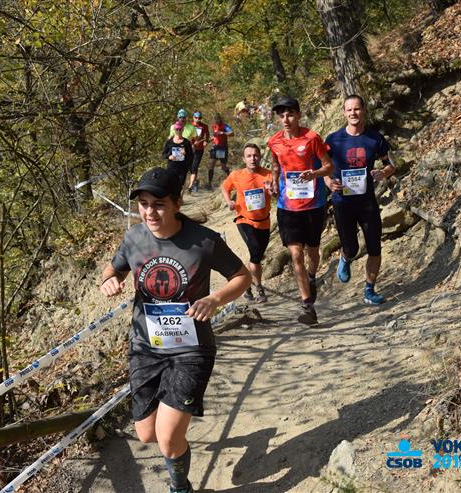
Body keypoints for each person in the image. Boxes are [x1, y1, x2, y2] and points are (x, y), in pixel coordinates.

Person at [100, 167, 251, 493]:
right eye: (143, 204)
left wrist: (215, 299)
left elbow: (242, 276)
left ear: (176, 203)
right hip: (145, 346)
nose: (149, 212)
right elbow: (112, 271)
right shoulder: (134, 238)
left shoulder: (203, 241)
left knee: (168, 437)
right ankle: (177, 455)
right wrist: (110, 281)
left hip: (191, 348)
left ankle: (180, 487)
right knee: (147, 434)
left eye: (158, 205)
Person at [267, 96, 333, 324]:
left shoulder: (312, 138)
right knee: (296, 254)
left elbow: (329, 166)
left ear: (298, 115)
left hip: (313, 205)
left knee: (313, 252)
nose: (286, 119)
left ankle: (312, 276)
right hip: (287, 206)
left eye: (290, 115)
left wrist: (313, 174)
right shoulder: (274, 142)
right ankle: (307, 306)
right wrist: (274, 182)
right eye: (282, 116)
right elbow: (275, 165)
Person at [324, 94, 395, 305]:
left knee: (374, 246)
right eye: (349, 110)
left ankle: (369, 290)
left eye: (356, 109)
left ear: (364, 110)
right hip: (342, 202)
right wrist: (329, 182)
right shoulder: (333, 140)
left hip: (367, 202)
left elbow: (390, 165)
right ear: (344, 113)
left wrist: (383, 173)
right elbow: (323, 167)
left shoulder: (375, 139)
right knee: (352, 248)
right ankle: (345, 257)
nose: (353, 113)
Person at [221, 143, 273, 303]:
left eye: (255, 155)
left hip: (264, 222)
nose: (253, 158)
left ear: (260, 157)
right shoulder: (237, 175)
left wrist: (273, 191)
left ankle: (246, 284)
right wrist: (229, 201)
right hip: (244, 219)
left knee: (257, 256)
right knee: (255, 253)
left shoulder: (268, 174)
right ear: (244, 159)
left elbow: (277, 192)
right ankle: (259, 288)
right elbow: (224, 187)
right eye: (249, 156)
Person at [163, 121, 194, 191]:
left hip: (182, 169)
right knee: (170, 187)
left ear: (183, 129)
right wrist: (169, 156)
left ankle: (179, 197)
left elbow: (191, 156)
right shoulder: (169, 142)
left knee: (179, 188)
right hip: (171, 168)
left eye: (180, 129)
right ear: (174, 129)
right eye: (177, 129)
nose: (178, 131)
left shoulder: (186, 142)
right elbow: (163, 154)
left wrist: (185, 154)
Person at [206, 114, 233, 190]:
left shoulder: (225, 126)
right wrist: (208, 141)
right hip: (215, 147)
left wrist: (223, 133)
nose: (216, 121)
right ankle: (209, 184)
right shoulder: (214, 126)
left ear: (220, 119)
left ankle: (230, 177)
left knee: (223, 166)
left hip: (222, 148)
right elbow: (215, 136)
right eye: (215, 120)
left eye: (217, 119)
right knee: (211, 165)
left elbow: (232, 133)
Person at [187, 111, 210, 194]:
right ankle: (195, 182)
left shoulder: (204, 126)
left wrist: (206, 141)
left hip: (199, 149)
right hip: (190, 149)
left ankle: (191, 186)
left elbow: (207, 135)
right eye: (196, 117)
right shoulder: (189, 126)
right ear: (193, 117)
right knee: (190, 167)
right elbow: (186, 136)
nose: (197, 119)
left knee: (195, 166)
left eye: (199, 118)